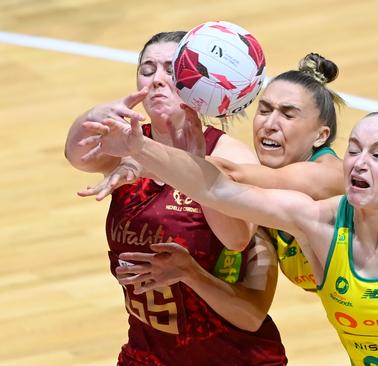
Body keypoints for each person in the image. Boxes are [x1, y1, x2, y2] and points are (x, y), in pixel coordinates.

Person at [84, 108, 378, 365]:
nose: (359, 162)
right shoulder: (317, 223)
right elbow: (217, 187)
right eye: (354, 151)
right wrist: (140, 147)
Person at [65, 31, 287, 365]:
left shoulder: (229, 154)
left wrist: (197, 170)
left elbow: (237, 238)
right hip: (147, 353)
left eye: (170, 69)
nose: (156, 80)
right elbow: (77, 155)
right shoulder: (129, 145)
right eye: (147, 68)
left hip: (230, 354)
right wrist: (96, 114)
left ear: (196, 82)